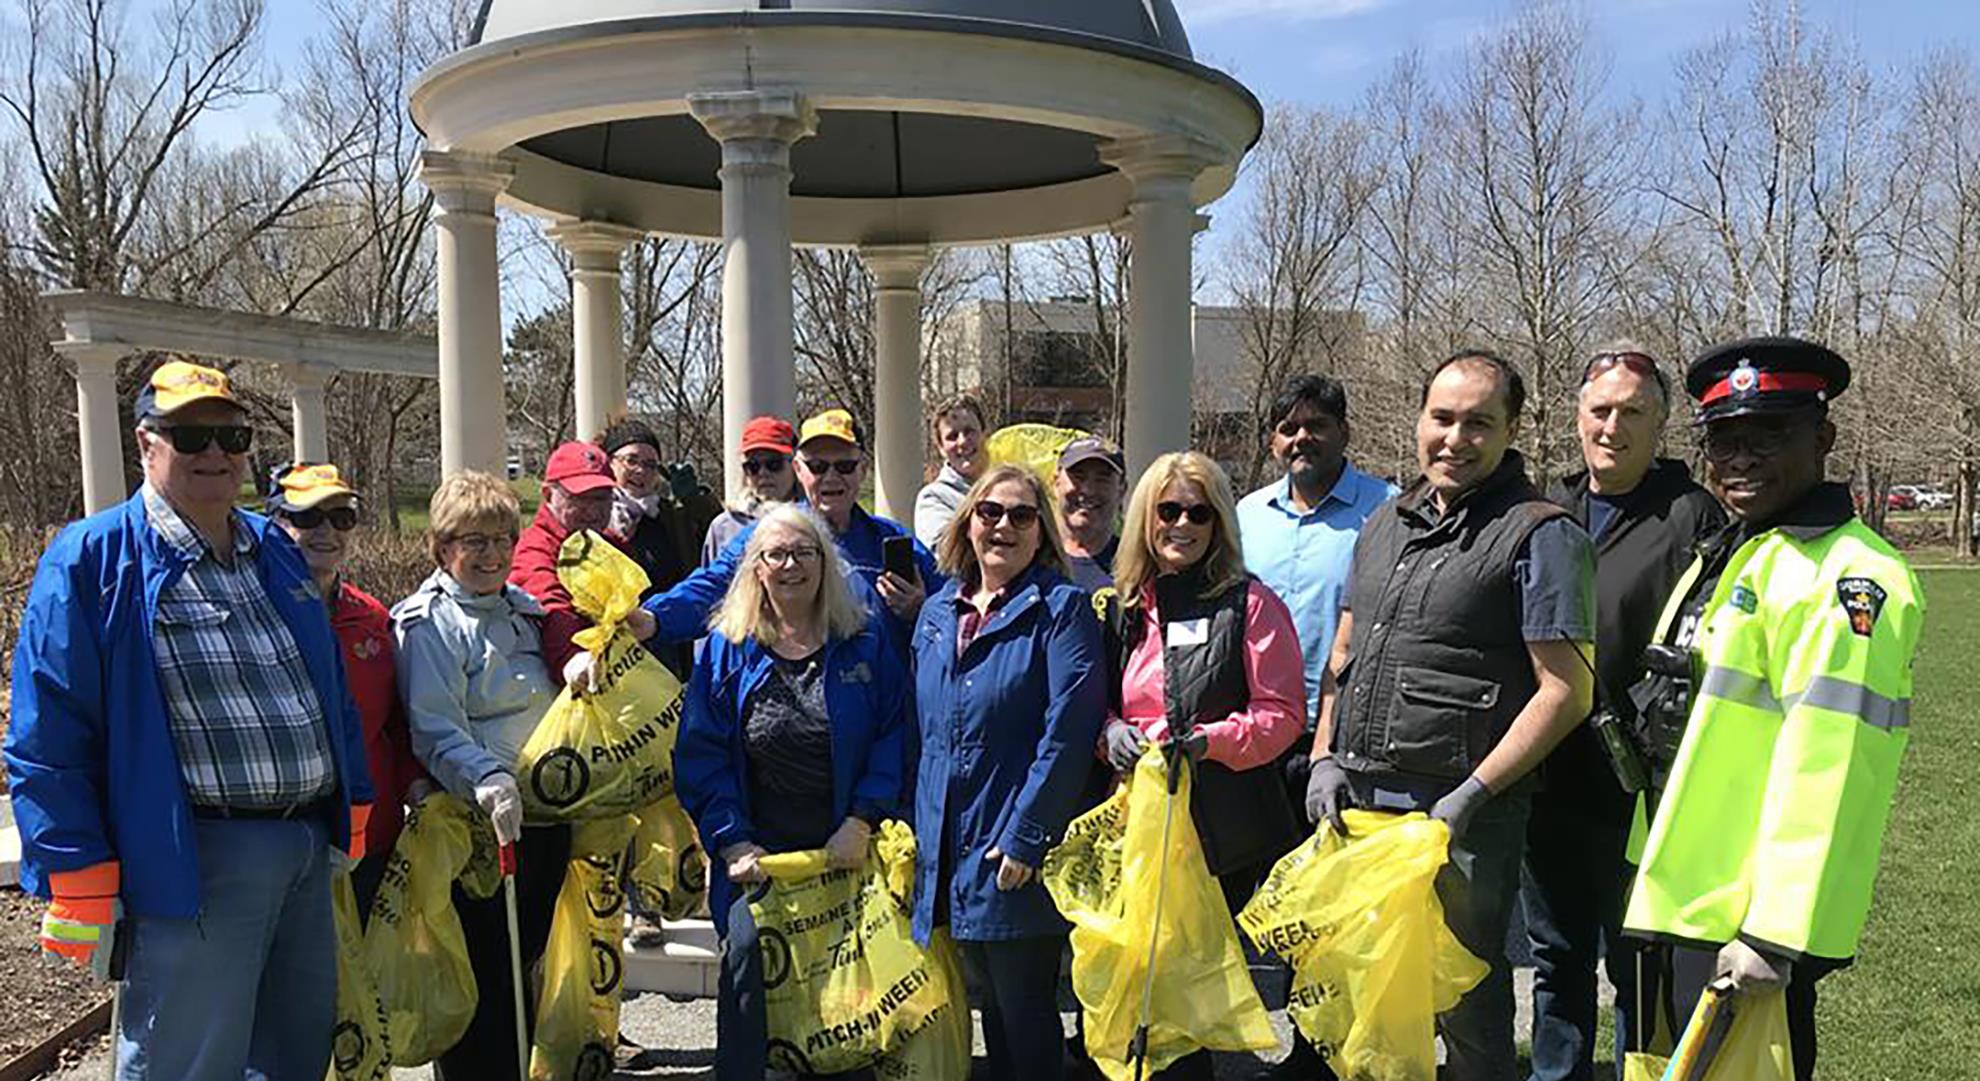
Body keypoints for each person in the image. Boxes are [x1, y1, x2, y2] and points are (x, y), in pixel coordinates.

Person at [5, 361, 373, 1080]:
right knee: (186, 1064)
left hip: (303, 847)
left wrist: (351, 809)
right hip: (191, 861)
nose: (215, 453)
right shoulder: (90, 559)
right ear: (147, 443)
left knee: (294, 1058)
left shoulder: (274, 548)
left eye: (231, 435)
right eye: (190, 434)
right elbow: (49, 735)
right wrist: (78, 874)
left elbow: (328, 687)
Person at [1621, 337, 1922, 1081]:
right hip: (1686, 886)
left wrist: (1776, 932)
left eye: (1769, 436)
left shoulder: (1852, 576)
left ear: (1823, 439)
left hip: (1748, 910)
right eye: (1724, 441)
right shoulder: (1739, 548)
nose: (1742, 459)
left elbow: (1833, 762)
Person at [1305, 351, 1595, 1081]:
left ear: (1512, 430)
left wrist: (1472, 794)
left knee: (1463, 996)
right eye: (1442, 418)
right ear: (1419, 420)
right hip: (1363, 805)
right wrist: (1323, 754)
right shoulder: (1384, 524)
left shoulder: (1540, 533)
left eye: (1478, 423)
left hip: (1462, 815)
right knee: (1367, 983)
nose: (1455, 438)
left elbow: (1565, 690)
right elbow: (1345, 650)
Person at [1525, 347, 1723, 1081]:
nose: (1613, 425)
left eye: (1633, 412)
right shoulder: (1546, 507)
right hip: (1550, 776)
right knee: (1556, 959)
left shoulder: (1691, 515)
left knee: (1638, 965)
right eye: (1601, 409)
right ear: (1577, 417)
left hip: (1645, 790)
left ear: (1661, 424)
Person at [676, 503, 909, 1081]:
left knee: (846, 999)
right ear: (755, 567)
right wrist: (731, 842)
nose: (790, 565)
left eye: (804, 552)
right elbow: (700, 754)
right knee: (749, 972)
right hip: (757, 859)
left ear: (825, 563)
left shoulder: (863, 639)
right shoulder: (727, 649)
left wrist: (862, 819)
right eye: (774, 554)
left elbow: (894, 734)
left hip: (845, 849)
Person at [1097, 450, 1307, 1081]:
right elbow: (1098, 706)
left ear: (1219, 523)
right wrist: (1111, 735)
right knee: (1146, 982)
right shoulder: (1123, 608)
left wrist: (1211, 741)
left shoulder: (1250, 604)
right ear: (1145, 519)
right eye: (1169, 510)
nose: (1182, 525)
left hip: (1223, 831)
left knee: (1201, 991)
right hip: (1140, 831)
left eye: (1199, 512)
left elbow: (1283, 715)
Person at [910, 465, 1105, 1081]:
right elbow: (922, 730)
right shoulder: (940, 608)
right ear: (967, 521)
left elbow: (1068, 734)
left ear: (1042, 532)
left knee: (1024, 1014)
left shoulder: (1062, 609)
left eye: (1022, 516)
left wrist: (1027, 834)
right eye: (990, 512)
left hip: (1011, 842)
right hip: (945, 841)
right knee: (986, 1006)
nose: (1003, 526)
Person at [391, 471, 565, 1081]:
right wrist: (486, 777)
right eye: (473, 542)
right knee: (485, 978)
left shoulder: (524, 612)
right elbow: (433, 727)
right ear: (442, 548)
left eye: (501, 539)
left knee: (530, 968)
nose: (491, 555)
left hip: (541, 817)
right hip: (478, 826)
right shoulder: (428, 623)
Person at [640, 408, 941, 646]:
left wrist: (921, 609)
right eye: (818, 467)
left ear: (862, 468)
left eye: (845, 466)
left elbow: (954, 605)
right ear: (799, 470)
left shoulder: (890, 539)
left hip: (879, 714)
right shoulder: (769, 536)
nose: (831, 477)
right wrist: (654, 619)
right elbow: (713, 586)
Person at [269, 461, 424, 919]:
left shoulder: (373, 617)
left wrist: (414, 783)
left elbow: (398, 721)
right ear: (277, 523)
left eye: (341, 518)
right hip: (289, 840)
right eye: (308, 518)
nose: (326, 532)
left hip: (370, 834)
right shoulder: (255, 614)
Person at [509, 440, 620, 685]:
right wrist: (572, 659)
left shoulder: (612, 544)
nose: (593, 511)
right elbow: (549, 606)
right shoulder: (535, 549)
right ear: (548, 494)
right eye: (579, 499)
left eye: (601, 499)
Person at [601, 418, 701, 681]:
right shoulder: (595, 516)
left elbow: (712, 540)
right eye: (631, 461)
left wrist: (695, 499)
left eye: (650, 465)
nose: (641, 472)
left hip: (667, 645)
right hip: (614, 649)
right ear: (609, 462)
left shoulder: (669, 515)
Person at [704, 414, 801, 565]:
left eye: (773, 464)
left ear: (795, 466)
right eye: (753, 467)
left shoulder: (816, 520)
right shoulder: (723, 528)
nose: (763, 473)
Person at [913, 392, 990, 546]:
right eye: (952, 436)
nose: (962, 441)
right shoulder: (933, 498)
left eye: (969, 431)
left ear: (985, 434)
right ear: (941, 448)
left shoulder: (1009, 486)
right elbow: (946, 556)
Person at [1053, 435, 1127, 592]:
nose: (1089, 490)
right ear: (1055, 483)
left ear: (1122, 489)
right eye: (1078, 476)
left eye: (1102, 478)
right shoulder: (1028, 557)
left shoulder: (1136, 565)